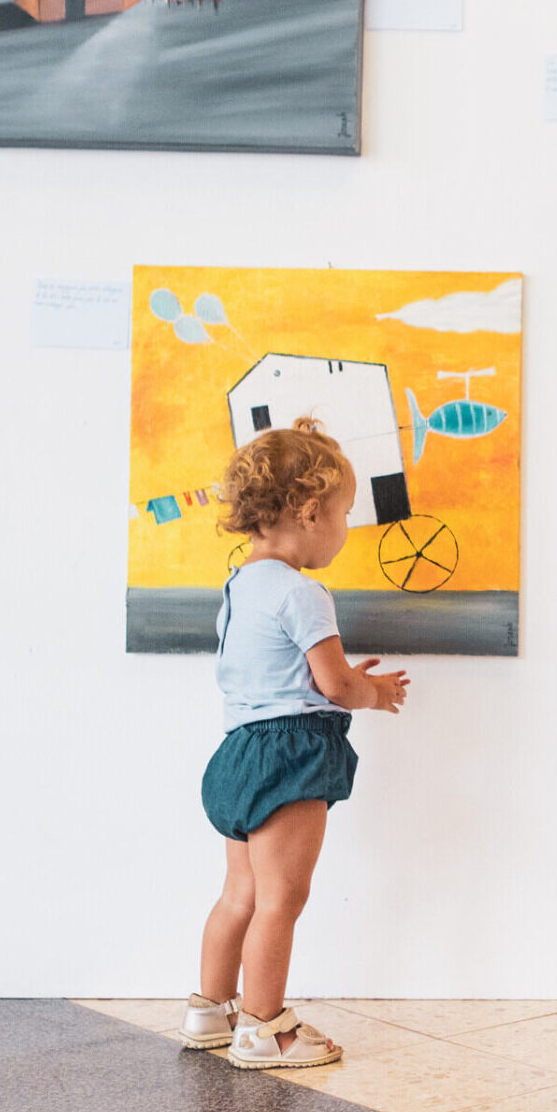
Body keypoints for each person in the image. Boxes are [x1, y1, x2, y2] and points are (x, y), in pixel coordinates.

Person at [179, 419, 408, 1069]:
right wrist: (374, 691)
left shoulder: (238, 586)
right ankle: (264, 1028)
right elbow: (334, 685)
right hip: (289, 758)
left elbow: (275, 674)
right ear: (310, 513)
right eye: (343, 514)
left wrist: (342, 681)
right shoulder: (302, 592)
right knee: (283, 900)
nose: (344, 528)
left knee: (241, 894)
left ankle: (210, 1009)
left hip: (238, 756)